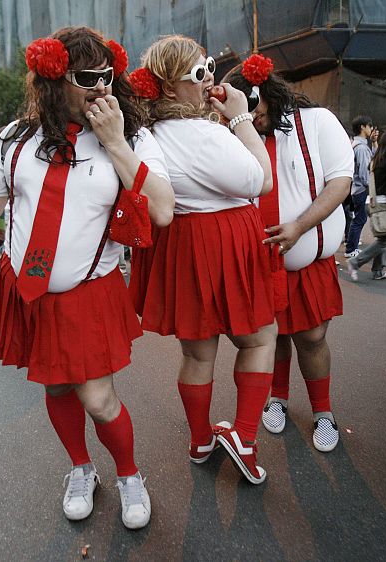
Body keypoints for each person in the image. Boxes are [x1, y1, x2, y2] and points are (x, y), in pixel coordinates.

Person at [0, 27, 174, 530]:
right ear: (55, 79)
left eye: (108, 77)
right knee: (57, 390)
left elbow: (162, 209)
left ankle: (128, 474)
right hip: (27, 288)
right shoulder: (15, 138)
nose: (101, 87)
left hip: (88, 291)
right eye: (87, 77)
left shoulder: (134, 138)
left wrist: (116, 141)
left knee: (98, 400)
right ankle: (81, 469)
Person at [130, 36, 277, 484]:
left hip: (184, 243)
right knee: (259, 338)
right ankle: (245, 439)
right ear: (170, 88)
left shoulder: (149, 134)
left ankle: (200, 440)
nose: (209, 76)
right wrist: (241, 118)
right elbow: (260, 180)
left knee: (197, 352)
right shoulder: (206, 132)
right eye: (198, 73)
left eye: (208, 65)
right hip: (226, 239)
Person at [224, 54, 353, 452]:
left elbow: (341, 182)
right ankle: (277, 399)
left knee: (312, 338)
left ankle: (324, 413)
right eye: (241, 111)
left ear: (268, 93)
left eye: (254, 109)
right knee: (271, 338)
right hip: (257, 264)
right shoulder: (233, 133)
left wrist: (299, 226)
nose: (251, 117)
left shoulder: (317, 122)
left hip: (309, 262)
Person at [347, 129, 386, 281]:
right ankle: (355, 262)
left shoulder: (376, 159)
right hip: (385, 204)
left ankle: (378, 271)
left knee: (383, 238)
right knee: (384, 240)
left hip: (372, 201)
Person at [343, 115, 374, 258]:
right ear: (362, 127)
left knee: (358, 218)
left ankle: (351, 247)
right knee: (359, 219)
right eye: (369, 126)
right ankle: (351, 249)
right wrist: (370, 185)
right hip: (360, 188)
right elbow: (364, 171)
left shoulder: (356, 144)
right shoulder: (361, 147)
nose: (371, 129)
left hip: (354, 187)